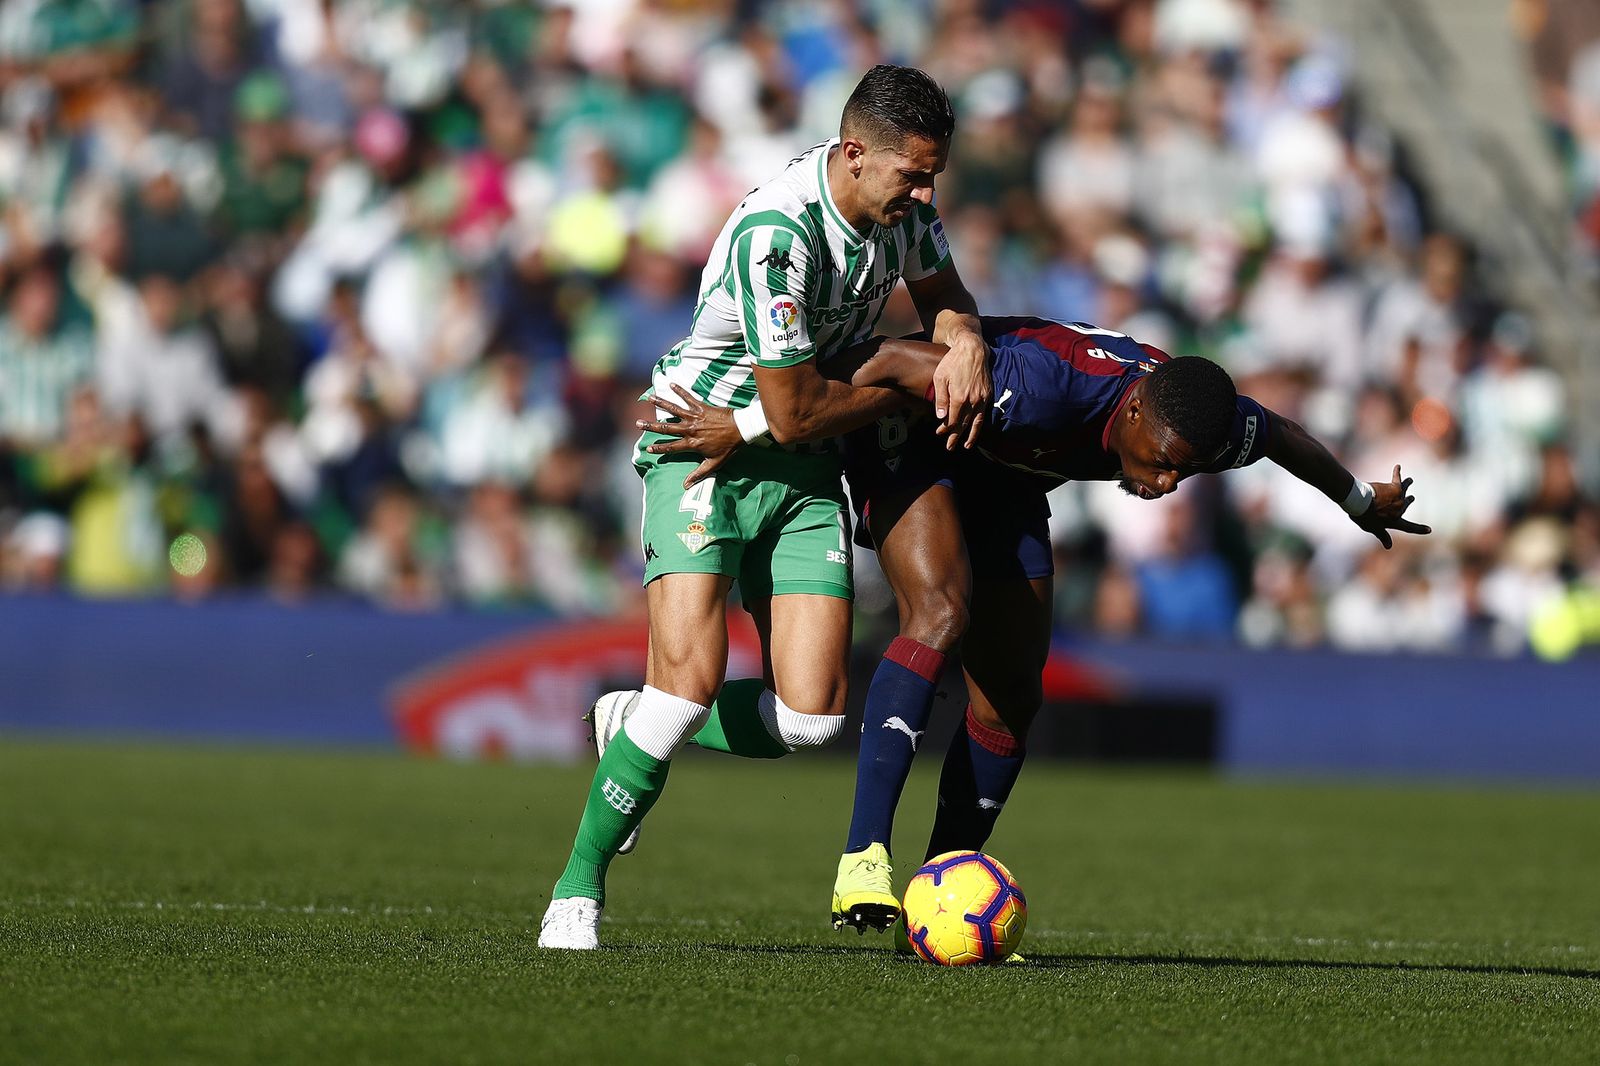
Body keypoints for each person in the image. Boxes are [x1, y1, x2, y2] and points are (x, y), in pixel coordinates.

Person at [637, 316, 1431, 936]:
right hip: (914, 434)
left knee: (1013, 693)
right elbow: (881, 360)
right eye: (1162, 459)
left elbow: (1282, 435)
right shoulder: (1036, 387)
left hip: (1005, 467)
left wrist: (1361, 502)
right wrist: (753, 423)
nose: (1167, 482)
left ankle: (941, 888)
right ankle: (863, 857)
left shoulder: (1202, 423)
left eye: (1185, 470)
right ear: (1134, 409)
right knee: (942, 611)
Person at [537, 65, 994, 950]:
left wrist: (963, 342)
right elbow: (794, 410)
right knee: (684, 693)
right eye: (913, 175)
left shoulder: (905, 215)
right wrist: (911, 380)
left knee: (813, 716)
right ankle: (576, 891)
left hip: (800, 465)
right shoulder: (779, 235)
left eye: (934, 175)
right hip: (700, 448)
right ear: (855, 154)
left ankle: (630, 725)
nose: (926, 195)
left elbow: (948, 303)